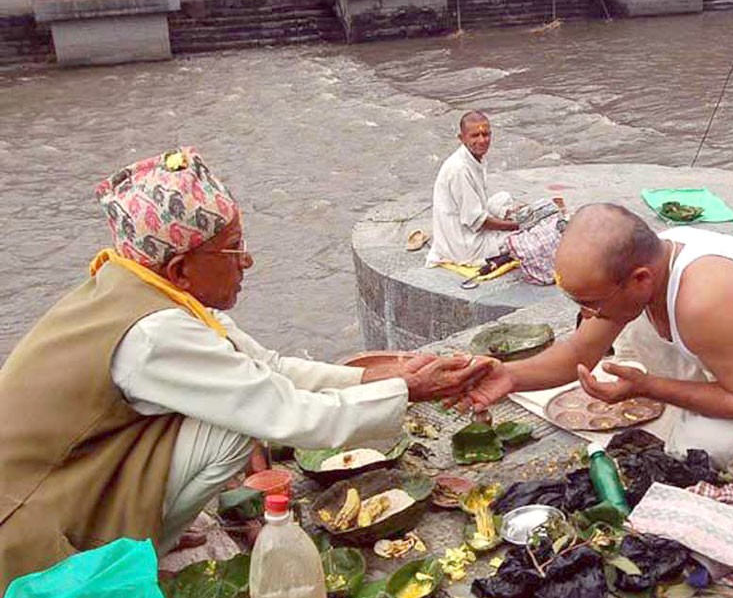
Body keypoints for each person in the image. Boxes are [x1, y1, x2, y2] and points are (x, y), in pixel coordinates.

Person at [0, 147, 493, 591]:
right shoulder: (154, 335)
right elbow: (290, 414)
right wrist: (412, 394)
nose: (248, 261)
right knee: (235, 426)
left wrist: (390, 379)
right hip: (26, 531)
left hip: (76, 473)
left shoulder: (144, 289)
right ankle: (129, 552)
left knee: (234, 407)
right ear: (179, 269)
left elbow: (266, 367)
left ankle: (151, 531)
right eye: (233, 249)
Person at [463, 203, 733, 467]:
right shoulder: (648, 258)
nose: (587, 314)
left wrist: (648, 388)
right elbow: (579, 352)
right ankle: (710, 386)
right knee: (642, 333)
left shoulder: (703, 301)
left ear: (640, 279)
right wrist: (510, 376)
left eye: (592, 303)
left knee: (698, 447)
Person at [426, 111, 519, 268]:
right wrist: (515, 225)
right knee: (522, 236)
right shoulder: (460, 169)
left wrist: (508, 216)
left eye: (486, 134)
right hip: (464, 247)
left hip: (463, 225)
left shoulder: (473, 158)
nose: (482, 140)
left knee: (504, 198)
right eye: (475, 136)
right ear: (462, 138)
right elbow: (478, 220)